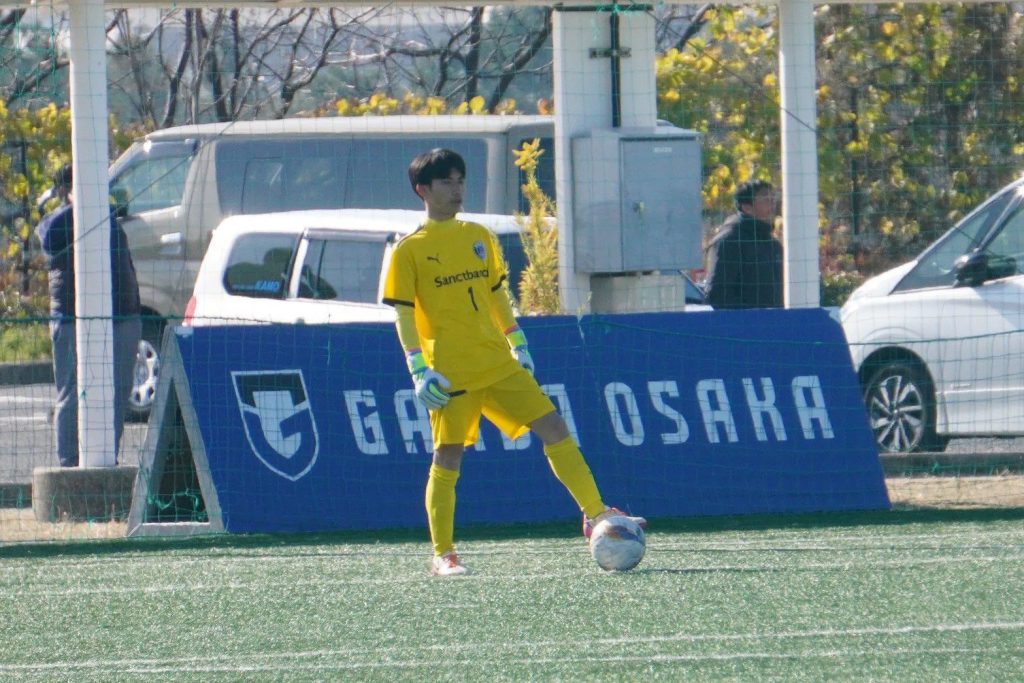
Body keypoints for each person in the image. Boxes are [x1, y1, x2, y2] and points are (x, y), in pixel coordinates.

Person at [382, 148, 645, 576]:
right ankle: (443, 554)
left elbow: (495, 294)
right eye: (447, 182)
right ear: (423, 190)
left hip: (498, 363)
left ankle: (595, 513)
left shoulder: (478, 236)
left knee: (554, 427)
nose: (457, 189)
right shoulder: (409, 250)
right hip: (452, 373)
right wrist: (418, 367)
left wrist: (516, 342)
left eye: (460, 181)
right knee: (448, 457)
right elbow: (403, 313)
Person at [35, 164, 142, 467]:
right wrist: (79, 203)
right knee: (72, 393)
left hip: (122, 315)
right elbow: (48, 236)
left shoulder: (107, 216)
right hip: (71, 318)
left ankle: (108, 459)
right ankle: (69, 463)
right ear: (65, 190)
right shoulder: (55, 223)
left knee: (118, 391)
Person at [704, 179, 784, 309]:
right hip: (746, 325)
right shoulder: (729, 240)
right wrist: (752, 317)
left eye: (773, 197)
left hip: (777, 324)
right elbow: (717, 294)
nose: (773, 202)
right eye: (765, 198)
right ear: (747, 207)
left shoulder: (773, 244)